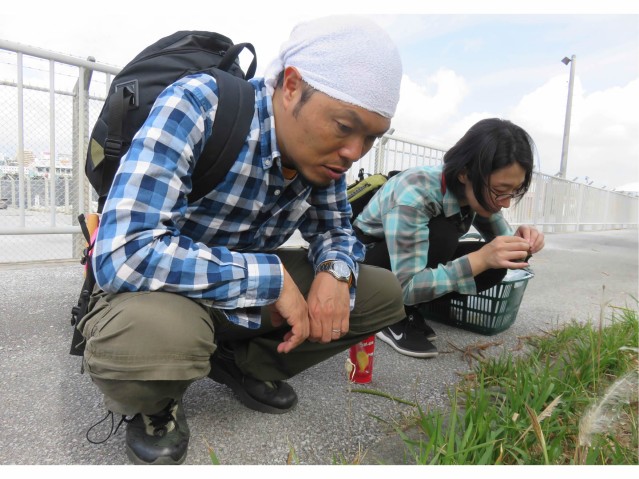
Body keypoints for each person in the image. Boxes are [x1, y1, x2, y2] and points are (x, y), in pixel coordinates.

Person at [79, 16, 406, 465]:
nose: (354, 152)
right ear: (291, 86)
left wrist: (336, 270)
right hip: (166, 293)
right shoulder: (198, 103)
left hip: (239, 295)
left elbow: (336, 231)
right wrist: (267, 277)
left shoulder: (327, 158)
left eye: (371, 137)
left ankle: (242, 361)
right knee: (152, 336)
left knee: (380, 293)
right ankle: (156, 403)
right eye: (345, 127)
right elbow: (124, 251)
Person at [353, 118, 545, 358]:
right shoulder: (415, 193)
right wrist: (480, 259)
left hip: (400, 264)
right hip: (364, 267)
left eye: (513, 192)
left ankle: (412, 309)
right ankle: (390, 315)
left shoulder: (474, 192)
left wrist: (524, 243)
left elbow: (503, 241)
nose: (506, 202)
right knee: (444, 233)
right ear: (465, 173)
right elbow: (406, 285)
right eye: (499, 190)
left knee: (496, 265)